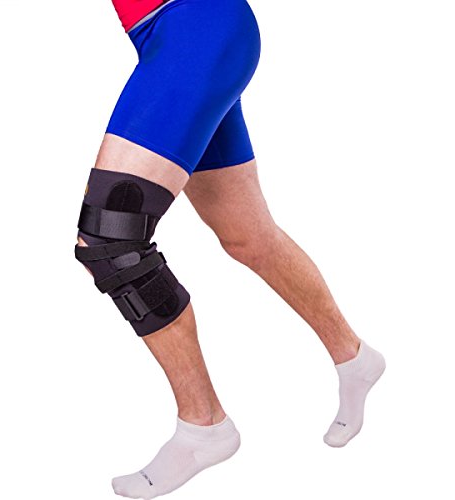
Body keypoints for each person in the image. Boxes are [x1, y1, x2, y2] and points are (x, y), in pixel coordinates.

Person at [74, 0, 386, 498]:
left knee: (111, 240)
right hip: (179, 37)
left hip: (195, 27)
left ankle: (204, 426)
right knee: (249, 237)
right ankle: (356, 358)